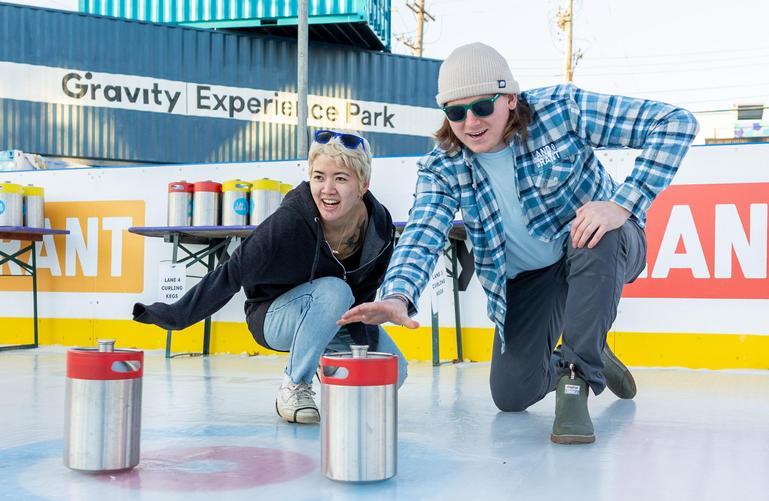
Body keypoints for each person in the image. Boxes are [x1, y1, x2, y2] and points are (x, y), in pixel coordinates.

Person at [339, 42, 698, 444]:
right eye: (455, 112)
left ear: (510, 98)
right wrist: (398, 297)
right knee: (511, 395)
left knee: (596, 230)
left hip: (603, 246)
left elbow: (675, 123)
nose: (470, 122)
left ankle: (577, 378)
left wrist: (622, 204)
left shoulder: (561, 111)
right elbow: (423, 233)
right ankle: (591, 348)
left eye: (482, 107)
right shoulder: (443, 167)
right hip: (533, 276)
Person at [133, 129, 407, 424]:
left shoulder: (379, 226)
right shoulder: (291, 219)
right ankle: (295, 386)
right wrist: (175, 315)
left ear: (363, 184)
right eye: (318, 177)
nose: (327, 189)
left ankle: (320, 359)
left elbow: (364, 293)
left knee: (393, 371)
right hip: (273, 316)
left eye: (340, 178)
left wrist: (358, 351)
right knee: (335, 291)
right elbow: (232, 272)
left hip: (335, 315)